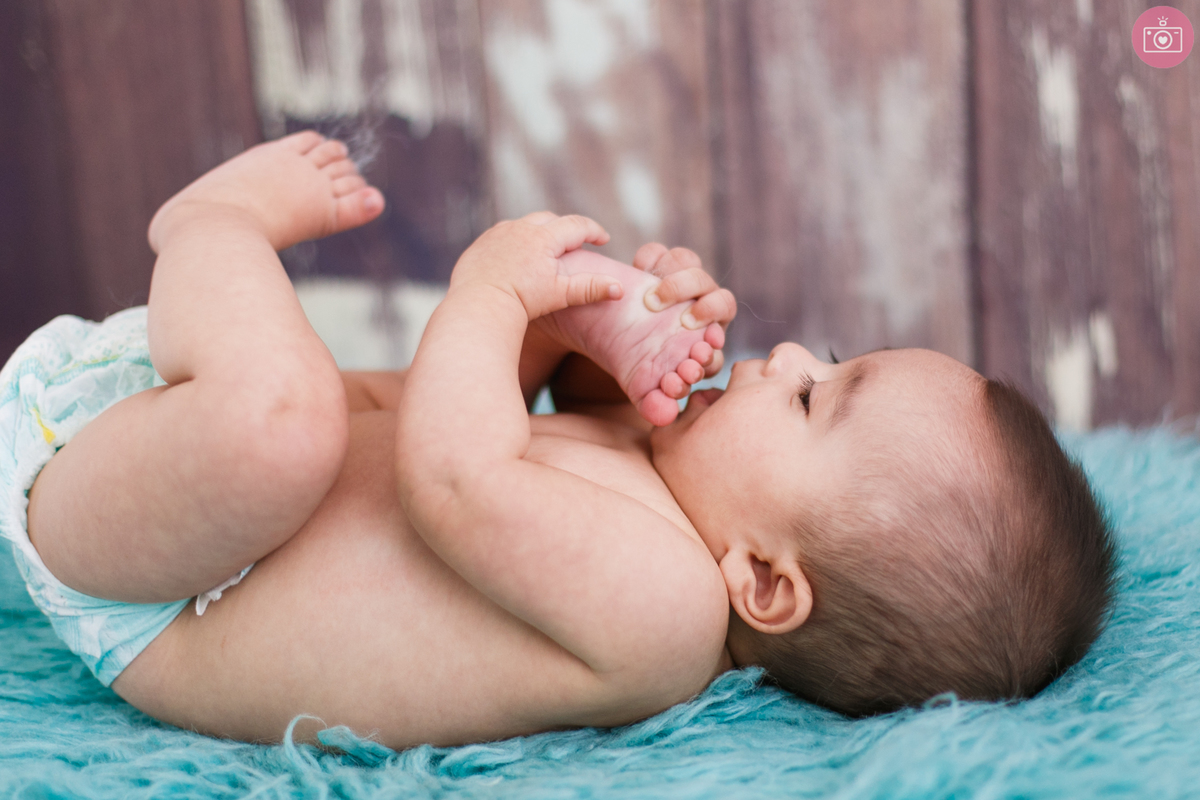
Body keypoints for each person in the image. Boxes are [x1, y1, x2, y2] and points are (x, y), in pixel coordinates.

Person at [0, 132, 1114, 749]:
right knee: (290, 423)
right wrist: (594, 331)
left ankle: (207, 230)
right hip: (172, 454)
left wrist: (492, 288)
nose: (788, 357)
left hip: (161, 579)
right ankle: (216, 296)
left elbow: (458, 474)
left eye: (818, 399)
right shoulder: (663, 475)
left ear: (767, 583)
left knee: (285, 426)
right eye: (829, 356)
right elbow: (530, 406)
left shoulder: (663, 612)